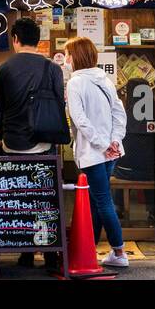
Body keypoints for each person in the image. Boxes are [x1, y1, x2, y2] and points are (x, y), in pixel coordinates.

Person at [0, 16, 67, 271]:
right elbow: (60, 102)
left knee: (20, 199)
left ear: (15, 39)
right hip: (44, 144)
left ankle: (24, 252)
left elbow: (0, 107)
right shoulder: (53, 69)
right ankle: (49, 254)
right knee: (45, 200)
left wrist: (0, 134)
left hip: (12, 144)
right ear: (38, 40)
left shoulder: (4, 68)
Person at [65, 36, 129, 269]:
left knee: (102, 200)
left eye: (68, 55)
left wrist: (102, 143)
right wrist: (113, 141)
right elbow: (119, 114)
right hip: (110, 152)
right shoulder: (105, 80)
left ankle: (119, 251)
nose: (66, 60)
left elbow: (79, 120)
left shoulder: (75, 83)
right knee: (95, 200)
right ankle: (88, 248)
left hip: (93, 153)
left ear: (75, 57)